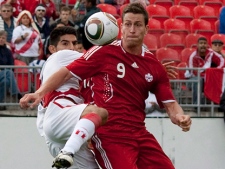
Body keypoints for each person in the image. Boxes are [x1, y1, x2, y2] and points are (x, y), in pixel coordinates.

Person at [20, 3, 192, 169]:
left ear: (146, 29)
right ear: (121, 27)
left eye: (138, 25)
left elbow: (170, 103)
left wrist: (180, 117)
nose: (132, 29)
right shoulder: (103, 52)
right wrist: (40, 92)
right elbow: (67, 73)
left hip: (140, 133)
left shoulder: (154, 67)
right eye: (128, 24)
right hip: (110, 135)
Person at [35, 26, 108, 169]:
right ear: (52, 49)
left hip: (59, 134)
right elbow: (101, 59)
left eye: (74, 43)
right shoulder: (60, 57)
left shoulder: (68, 70)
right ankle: (68, 150)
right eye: (65, 43)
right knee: (99, 112)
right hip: (60, 112)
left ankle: (67, 150)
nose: (71, 48)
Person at [185, 37, 225, 105]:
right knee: (198, 80)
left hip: (206, 78)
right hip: (192, 79)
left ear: (207, 45)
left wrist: (215, 71)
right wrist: (209, 75)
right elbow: (193, 72)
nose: (203, 45)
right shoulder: (192, 56)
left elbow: (222, 60)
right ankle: (197, 105)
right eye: (201, 43)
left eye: (204, 43)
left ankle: (218, 104)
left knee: (217, 78)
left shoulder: (211, 53)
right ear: (197, 45)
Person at [0, 30, 22, 110]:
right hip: (4, 72)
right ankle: (17, 94)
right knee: (8, 72)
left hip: (4, 74)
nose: (1, 39)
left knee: (6, 81)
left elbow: (11, 65)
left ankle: (0, 103)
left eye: (3, 38)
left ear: (5, 40)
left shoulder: (8, 52)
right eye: (0, 37)